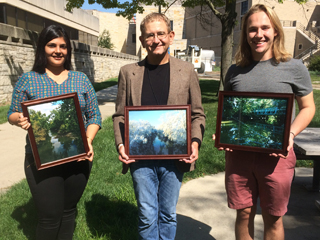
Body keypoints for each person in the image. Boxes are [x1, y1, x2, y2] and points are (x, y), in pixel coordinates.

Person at [212, 4, 315, 240]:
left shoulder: (295, 67)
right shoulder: (234, 71)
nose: (259, 34)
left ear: (275, 31)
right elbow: (230, 111)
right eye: (252, 29)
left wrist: (289, 134)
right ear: (245, 34)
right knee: (244, 214)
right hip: (239, 156)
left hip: (277, 157)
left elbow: (308, 108)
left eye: (265, 28)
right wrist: (224, 132)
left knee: (274, 217)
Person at [113, 12, 206, 240]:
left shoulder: (186, 71)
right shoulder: (128, 73)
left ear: (171, 36)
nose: (156, 40)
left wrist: (194, 143)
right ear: (143, 40)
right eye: (150, 35)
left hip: (175, 157)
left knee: (167, 214)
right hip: (140, 157)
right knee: (146, 213)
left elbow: (197, 114)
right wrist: (121, 145)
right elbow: (119, 116)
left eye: (161, 34)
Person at [7, 25, 101, 240]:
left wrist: (87, 140)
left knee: (68, 213)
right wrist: (19, 119)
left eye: (63, 46)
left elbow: (94, 116)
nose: (58, 50)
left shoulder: (81, 79)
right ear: (42, 47)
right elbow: (12, 112)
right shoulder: (28, 79)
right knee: (49, 217)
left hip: (78, 157)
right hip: (41, 157)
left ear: (68, 50)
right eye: (52, 45)